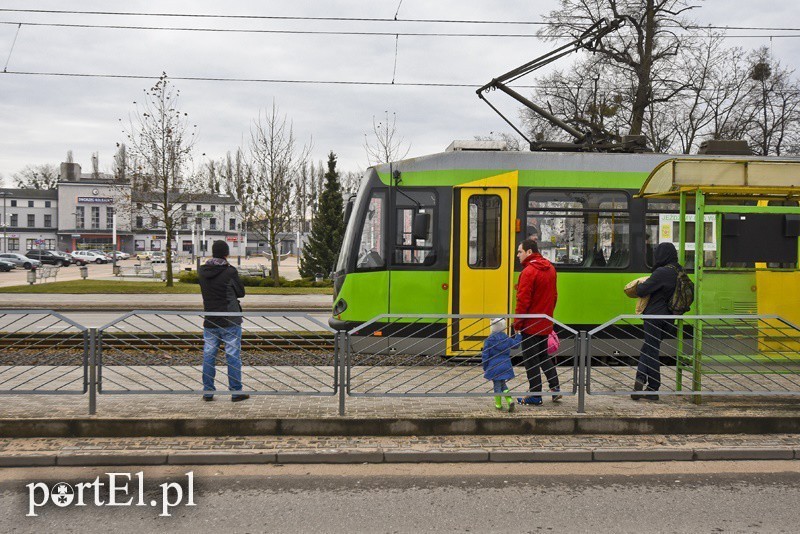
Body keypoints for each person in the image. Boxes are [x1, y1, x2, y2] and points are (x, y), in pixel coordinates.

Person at [198, 240, 249, 402]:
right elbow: (241, 292)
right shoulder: (230, 271)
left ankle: (208, 392)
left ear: (213, 253)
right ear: (226, 254)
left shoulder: (202, 270)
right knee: (232, 355)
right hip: (230, 320)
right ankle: (235, 392)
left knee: (208, 355)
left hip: (210, 319)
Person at [631, 242, 682, 401]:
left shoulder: (661, 272)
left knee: (651, 351)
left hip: (654, 317)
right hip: (669, 318)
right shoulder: (679, 271)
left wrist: (640, 283)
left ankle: (653, 388)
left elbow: (641, 290)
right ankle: (640, 378)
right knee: (648, 347)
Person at [513, 238, 560, 406]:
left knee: (531, 360)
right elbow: (554, 297)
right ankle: (555, 388)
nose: (518, 255)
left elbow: (523, 301)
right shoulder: (551, 269)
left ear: (529, 252)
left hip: (530, 324)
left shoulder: (528, 272)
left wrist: (517, 324)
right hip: (545, 322)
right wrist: (548, 316)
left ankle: (535, 395)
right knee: (543, 356)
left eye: (520, 251)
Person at [481, 318, 521, 412]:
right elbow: (516, 345)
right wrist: (518, 335)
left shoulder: (489, 340)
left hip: (494, 367)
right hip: (506, 365)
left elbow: (485, 355)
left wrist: (485, 366)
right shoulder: (506, 338)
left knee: (497, 386)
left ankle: (498, 405)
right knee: (503, 384)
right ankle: (509, 400)